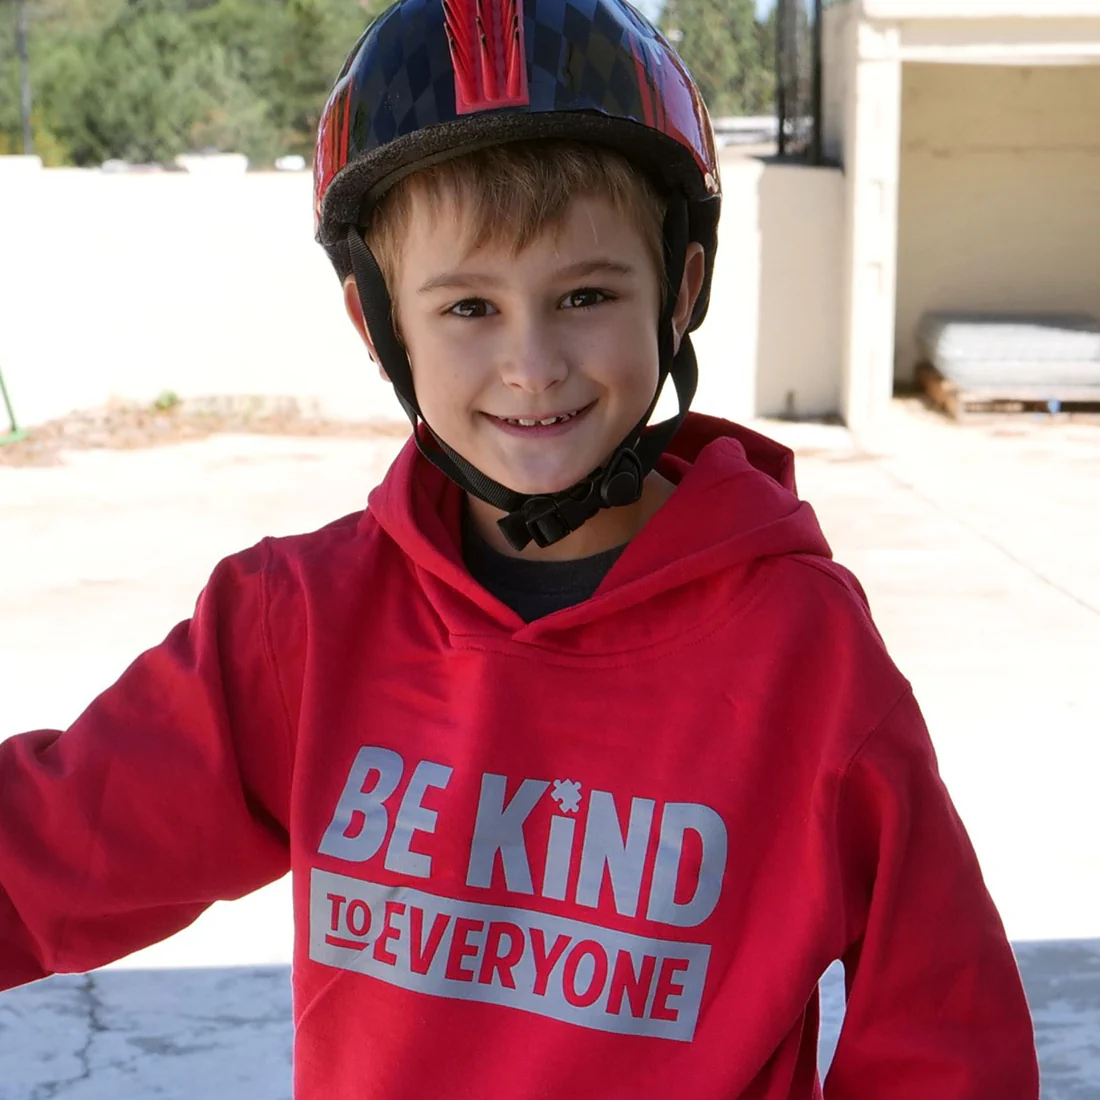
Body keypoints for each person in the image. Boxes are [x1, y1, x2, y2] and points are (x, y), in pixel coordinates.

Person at [0, 0, 1039, 1097]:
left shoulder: (805, 654)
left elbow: (944, 1034)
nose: (532, 364)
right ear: (378, 323)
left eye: (585, 295)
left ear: (679, 291)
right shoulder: (297, 623)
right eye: (468, 307)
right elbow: (51, 853)